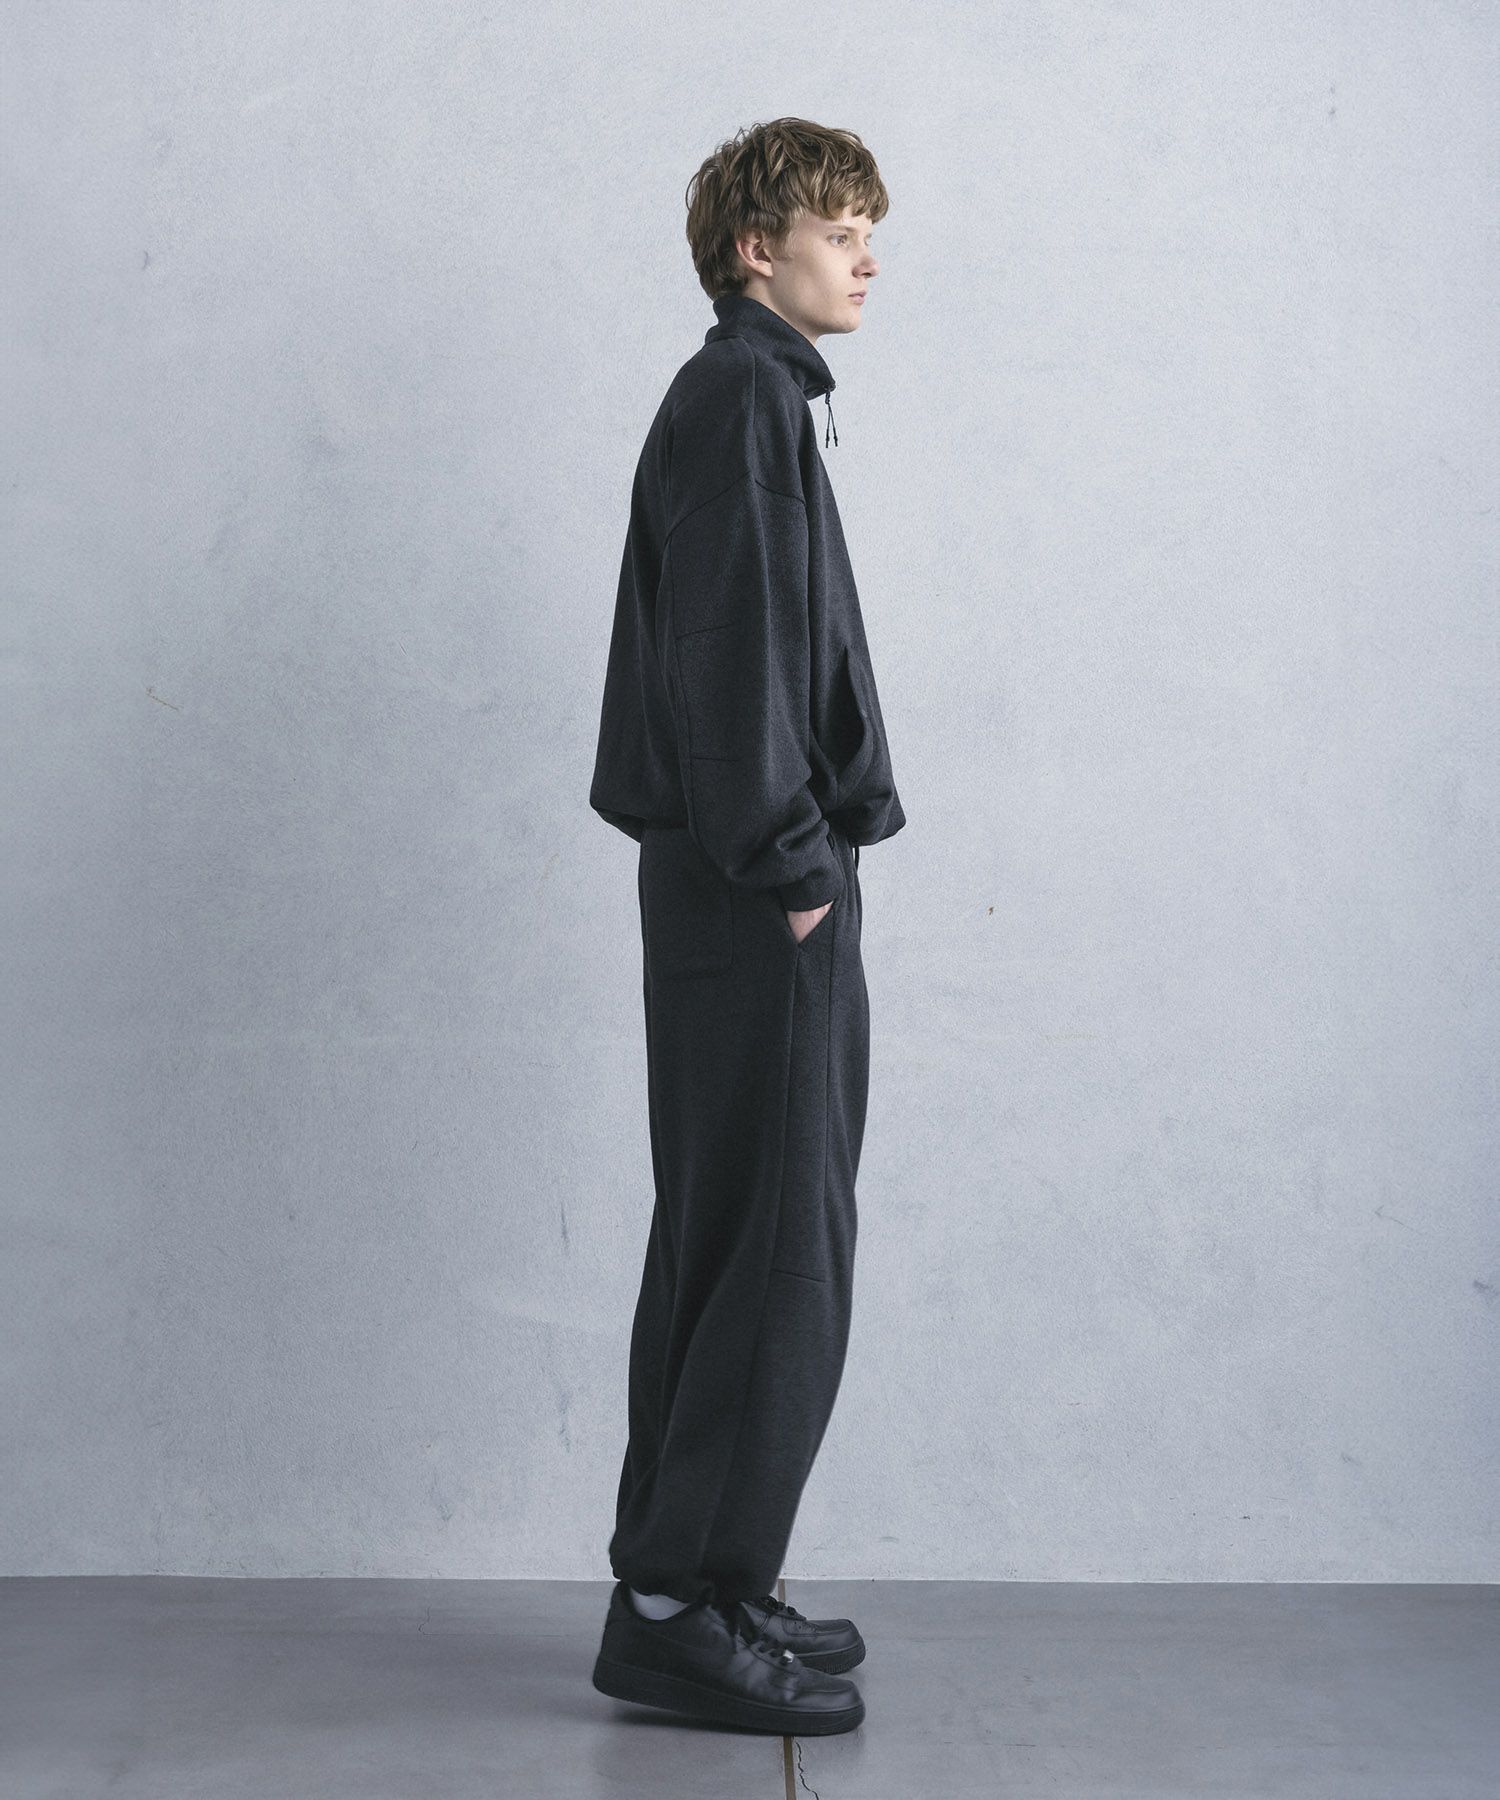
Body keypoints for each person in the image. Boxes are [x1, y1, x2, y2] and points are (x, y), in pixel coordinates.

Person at [586, 116, 906, 1736]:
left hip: (749, 879)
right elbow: (728, 653)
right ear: (751, 249)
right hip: (756, 886)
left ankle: (708, 1579)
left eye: (869, 228)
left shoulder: (758, 398)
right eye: (839, 227)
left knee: (748, 1237)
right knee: (773, 1249)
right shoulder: (740, 402)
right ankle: (672, 1608)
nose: (867, 255)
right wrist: (793, 867)